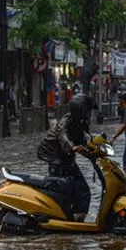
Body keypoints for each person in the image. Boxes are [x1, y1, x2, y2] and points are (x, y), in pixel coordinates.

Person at [36, 94, 94, 222]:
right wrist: (73, 147)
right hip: (56, 160)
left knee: (83, 190)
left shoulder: (80, 123)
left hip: (68, 160)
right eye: (88, 110)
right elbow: (63, 135)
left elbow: (85, 139)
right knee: (63, 192)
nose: (90, 113)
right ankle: (60, 220)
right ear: (80, 109)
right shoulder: (65, 122)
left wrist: (96, 148)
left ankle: (77, 219)